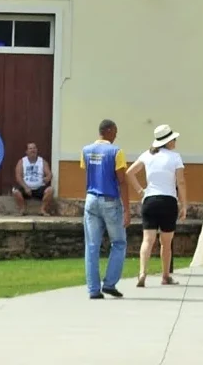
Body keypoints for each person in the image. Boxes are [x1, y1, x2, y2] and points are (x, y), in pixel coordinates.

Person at [126, 124, 188, 287]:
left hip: (150, 200)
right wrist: (184, 205)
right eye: (173, 139)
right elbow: (180, 182)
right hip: (168, 201)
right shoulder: (175, 157)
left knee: (147, 239)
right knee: (166, 242)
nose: (175, 141)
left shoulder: (147, 155)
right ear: (168, 142)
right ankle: (165, 276)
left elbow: (129, 172)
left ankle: (142, 273)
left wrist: (140, 191)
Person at [81, 119, 130, 299]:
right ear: (108, 130)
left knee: (92, 245)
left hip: (91, 198)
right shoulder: (116, 152)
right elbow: (122, 181)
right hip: (110, 200)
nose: (116, 135)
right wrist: (127, 209)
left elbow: (88, 173)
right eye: (115, 131)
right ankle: (109, 283)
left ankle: (93, 289)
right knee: (118, 242)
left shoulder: (86, 151)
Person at [11, 142, 55, 216]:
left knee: (50, 190)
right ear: (27, 151)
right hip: (26, 188)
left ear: (37, 150)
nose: (33, 150)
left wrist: (47, 178)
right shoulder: (22, 161)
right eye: (30, 148)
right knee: (15, 191)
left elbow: (49, 174)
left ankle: (42, 210)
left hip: (39, 188)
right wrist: (26, 187)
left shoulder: (42, 161)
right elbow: (18, 177)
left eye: (34, 148)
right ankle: (22, 210)